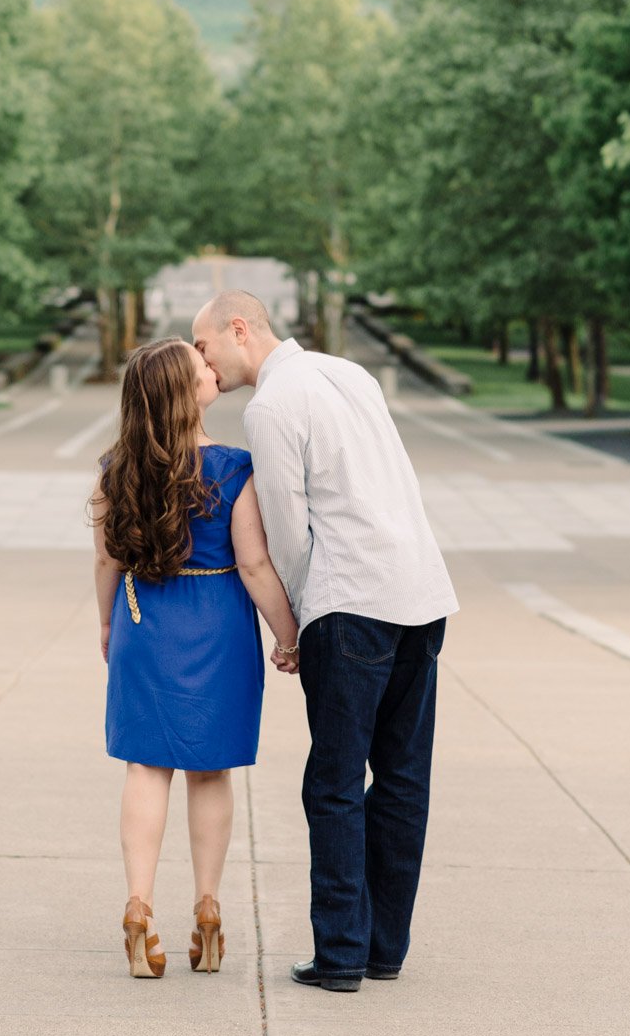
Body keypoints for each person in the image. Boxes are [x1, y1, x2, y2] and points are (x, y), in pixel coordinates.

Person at [192, 290, 459, 995]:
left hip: (353, 601)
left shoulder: (270, 406)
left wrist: (301, 624)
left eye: (205, 345)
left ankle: (340, 953)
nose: (203, 361)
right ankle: (383, 947)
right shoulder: (352, 374)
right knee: (402, 778)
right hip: (421, 591)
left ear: (239, 329)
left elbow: (288, 527)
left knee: (334, 782)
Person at [90, 336, 301, 979]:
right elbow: (255, 563)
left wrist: (105, 625)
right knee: (210, 774)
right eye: (201, 368)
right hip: (216, 625)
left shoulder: (115, 467)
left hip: (141, 621)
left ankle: (137, 907)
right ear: (188, 394)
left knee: (146, 768)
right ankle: (208, 911)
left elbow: (106, 558)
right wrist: (288, 634)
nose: (213, 370)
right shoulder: (235, 467)